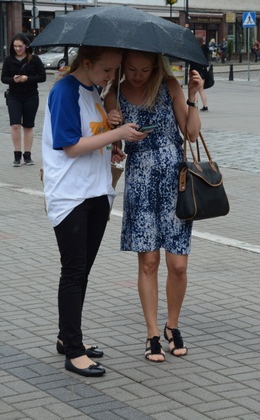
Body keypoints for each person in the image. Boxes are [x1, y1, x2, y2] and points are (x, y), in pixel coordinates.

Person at [42, 46, 145, 377]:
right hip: (71, 195)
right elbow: (70, 146)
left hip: (96, 191)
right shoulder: (64, 91)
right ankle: (73, 351)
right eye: (106, 70)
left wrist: (109, 129)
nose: (111, 77)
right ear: (86, 63)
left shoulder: (92, 91)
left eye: (115, 70)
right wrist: (117, 132)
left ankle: (67, 337)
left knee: (81, 271)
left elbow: (91, 136)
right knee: (73, 272)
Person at [104, 50, 203, 363]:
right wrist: (112, 126)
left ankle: (172, 325)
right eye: (131, 68)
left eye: (144, 69)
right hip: (140, 184)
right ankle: (151, 334)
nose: (137, 75)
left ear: (155, 67)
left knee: (178, 264)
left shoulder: (170, 86)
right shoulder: (114, 93)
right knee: (148, 262)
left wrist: (192, 97)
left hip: (176, 183)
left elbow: (191, 132)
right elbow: (113, 145)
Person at [1, 32, 46, 166]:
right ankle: (17, 155)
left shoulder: (34, 59)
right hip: (14, 96)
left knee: (28, 126)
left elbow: (42, 77)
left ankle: (27, 155)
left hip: (31, 96)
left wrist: (28, 78)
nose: (17, 49)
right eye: (15, 46)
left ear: (26, 45)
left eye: (20, 46)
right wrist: (13, 80)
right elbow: (3, 78)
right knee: (15, 125)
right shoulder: (9, 60)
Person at [190, 35, 209, 112]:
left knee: (195, 89)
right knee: (201, 90)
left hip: (195, 70)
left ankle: (195, 105)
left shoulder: (194, 49)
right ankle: (205, 105)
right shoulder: (205, 49)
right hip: (203, 70)